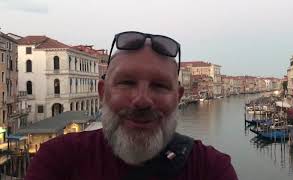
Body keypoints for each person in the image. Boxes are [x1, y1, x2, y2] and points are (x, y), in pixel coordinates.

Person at [25, 31, 238, 180]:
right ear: (102, 93)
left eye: (159, 85)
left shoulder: (211, 169)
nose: (142, 100)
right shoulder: (57, 160)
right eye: (127, 83)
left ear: (177, 98)